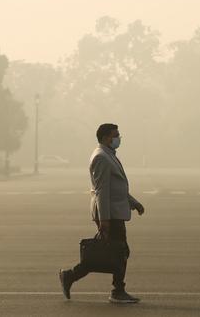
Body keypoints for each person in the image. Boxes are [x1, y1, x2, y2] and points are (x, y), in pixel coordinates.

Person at [59, 123, 145, 303]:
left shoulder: (108, 155)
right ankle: (117, 291)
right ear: (106, 137)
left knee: (111, 252)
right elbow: (102, 191)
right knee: (119, 251)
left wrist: (134, 203)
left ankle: (70, 276)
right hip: (110, 215)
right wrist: (104, 219)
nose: (118, 138)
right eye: (116, 135)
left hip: (114, 212)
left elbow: (116, 188)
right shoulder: (102, 158)